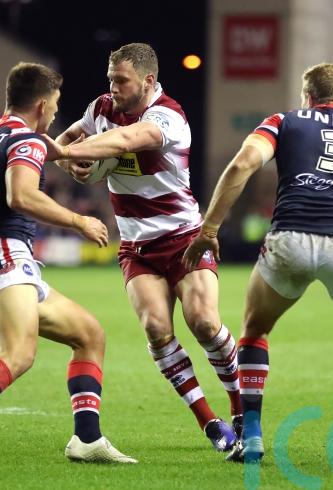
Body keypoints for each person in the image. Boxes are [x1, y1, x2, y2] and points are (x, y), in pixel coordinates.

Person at [182, 62, 333, 468]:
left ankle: (253, 437)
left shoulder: (284, 121)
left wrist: (210, 228)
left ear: (308, 96)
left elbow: (244, 164)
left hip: (290, 239)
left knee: (255, 332)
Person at [0, 62, 136, 473]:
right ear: (40, 105)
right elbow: (21, 196)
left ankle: (87, 439)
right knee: (18, 354)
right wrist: (80, 221)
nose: (55, 112)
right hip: (2, 254)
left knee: (89, 335)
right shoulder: (25, 139)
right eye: (54, 104)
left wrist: (43, 152)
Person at [49, 43, 240, 451]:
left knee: (204, 323)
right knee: (156, 329)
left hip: (184, 238)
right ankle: (209, 422)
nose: (113, 87)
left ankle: (242, 410)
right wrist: (67, 161)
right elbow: (68, 137)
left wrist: (62, 152)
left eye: (122, 80)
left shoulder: (168, 115)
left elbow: (127, 140)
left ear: (148, 81)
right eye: (110, 79)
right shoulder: (101, 108)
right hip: (137, 246)